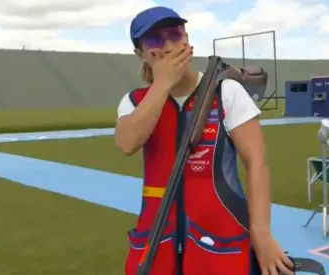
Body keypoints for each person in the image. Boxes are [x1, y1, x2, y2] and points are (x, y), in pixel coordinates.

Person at [114, 6, 293, 275]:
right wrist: (163, 83)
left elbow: (256, 162)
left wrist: (261, 233)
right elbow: (127, 143)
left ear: (187, 39)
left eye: (174, 34)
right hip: (156, 243)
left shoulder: (226, 91)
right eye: (153, 40)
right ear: (140, 54)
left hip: (221, 243)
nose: (167, 46)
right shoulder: (133, 102)